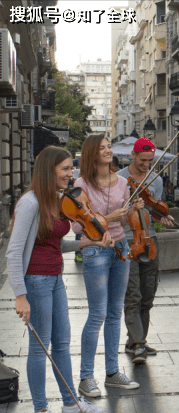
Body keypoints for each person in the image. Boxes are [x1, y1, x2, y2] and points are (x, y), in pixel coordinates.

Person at [6, 146, 109, 413]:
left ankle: (71, 403)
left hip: (54, 279)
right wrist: (20, 295)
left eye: (71, 167)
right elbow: (14, 251)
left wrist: (84, 243)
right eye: (65, 168)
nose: (70, 173)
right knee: (40, 348)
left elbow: (53, 244)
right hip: (36, 281)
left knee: (62, 344)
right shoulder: (30, 202)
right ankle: (41, 408)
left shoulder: (55, 199)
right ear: (48, 170)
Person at [73, 134, 144, 397]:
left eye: (108, 146)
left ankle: (113, 373)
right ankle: (86, 377)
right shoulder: (81, 185)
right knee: (97, 315)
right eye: (101, 148)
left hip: (120, 248)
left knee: (115, 313)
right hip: (94, 250)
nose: (107, 150)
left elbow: (124, 224)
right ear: (92, 153)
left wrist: (132, 211)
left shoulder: (124, 183)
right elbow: (76, 225)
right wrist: (108, 216)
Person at [117, 137, 173, 364]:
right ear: (133, 155)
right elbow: (115, 214)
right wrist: (131, 207)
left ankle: (136, 340)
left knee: (148, 294)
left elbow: (155, 210)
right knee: (133, 295)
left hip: (149, 240)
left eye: (150, 161)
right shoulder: (119, 179)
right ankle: (137, 343)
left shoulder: (154, 180)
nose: (146, 165)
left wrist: (163, 215)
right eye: (143, 160)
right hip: (127, 240)